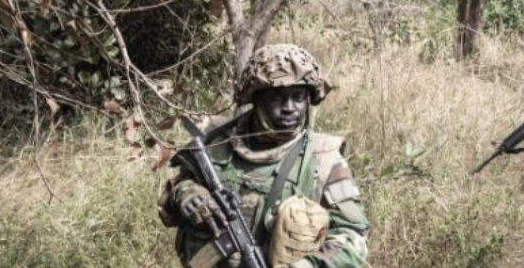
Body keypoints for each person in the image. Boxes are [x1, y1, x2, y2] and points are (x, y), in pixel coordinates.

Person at [158, 44, 369, 268]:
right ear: (258, 100)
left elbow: (353, 237)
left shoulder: (324, 158)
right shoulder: (218, 143)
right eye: (277, 98)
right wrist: (186, 193)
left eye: (298, 97)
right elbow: (169, 205)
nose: (290, 108)